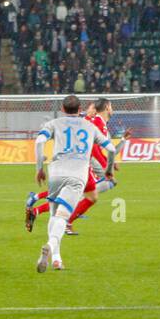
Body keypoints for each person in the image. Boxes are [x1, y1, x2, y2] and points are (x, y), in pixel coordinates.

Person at [32, 94, 115, 273]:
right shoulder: (90, 126)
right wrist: (108, 169)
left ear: (62, 109)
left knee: (54, 215)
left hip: (55, 173)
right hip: (77, 175)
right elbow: (111, 148)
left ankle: (56, 258)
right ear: (80, 110)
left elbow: (39, 141)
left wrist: (39, 168)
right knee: (63, 216)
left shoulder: (54, 123)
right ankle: (49, 245)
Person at [24, 97, 125, 235]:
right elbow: (96, 149)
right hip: (81, 166)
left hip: (68, 165)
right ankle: (61, 226)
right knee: (82, 195)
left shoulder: (92, 122)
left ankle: (39, 208)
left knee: (81, 195)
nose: (89, 110)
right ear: (107, 107)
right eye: (89, 107)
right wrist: (106, 167)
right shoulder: (95, 123)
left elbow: (40, 141)